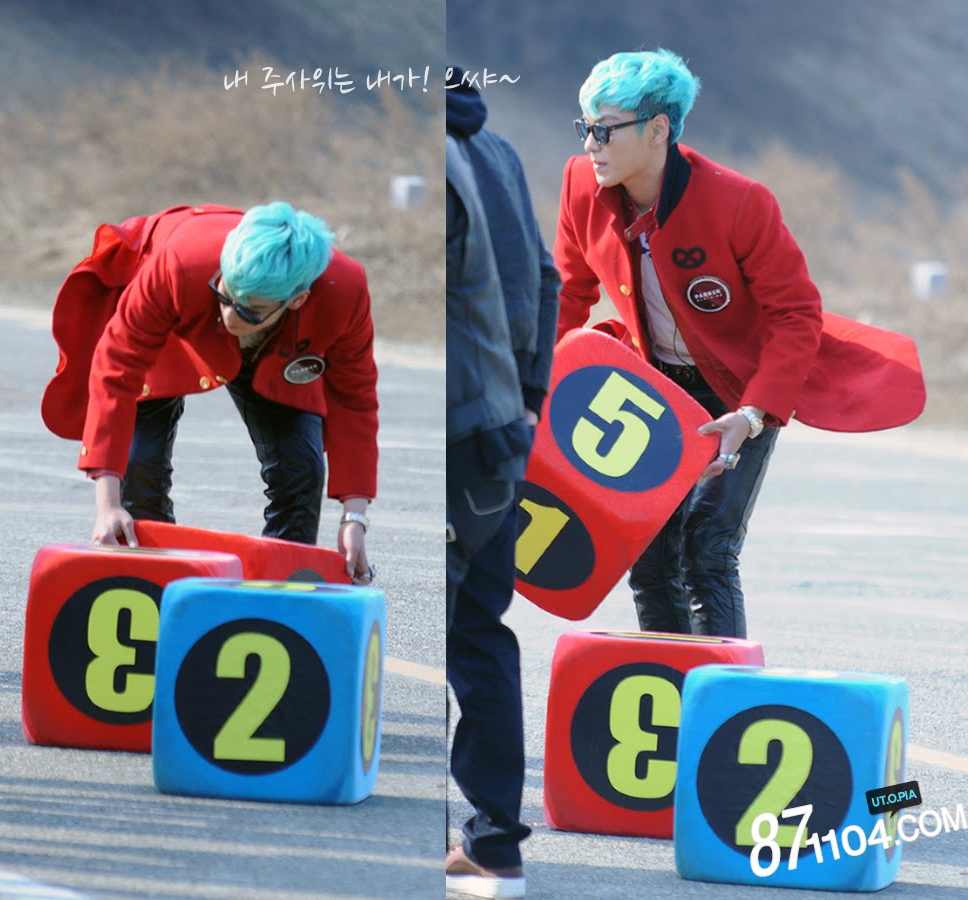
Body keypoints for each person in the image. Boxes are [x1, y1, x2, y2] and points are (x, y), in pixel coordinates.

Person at [556, 49, 924, 637]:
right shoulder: (580, 183)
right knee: (648, 554)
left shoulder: (739, 202)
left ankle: (721, 686)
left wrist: (753, 415)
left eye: (605, 130)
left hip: (739, 391)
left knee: (706, 548)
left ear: (658, 130)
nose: (590, 144)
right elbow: (568, 293)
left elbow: (796, 315)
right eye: (585, 127)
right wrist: (537, 387)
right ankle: (671, 683)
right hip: (650, 386)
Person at [42, 201, 378, 584]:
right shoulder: (179, 265)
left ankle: (279, 590)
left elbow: (354, 398)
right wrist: (107, 505)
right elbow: (116, 368)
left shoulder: (343, 291)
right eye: (228, 295)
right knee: (139, 463)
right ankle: (151, 580)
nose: (230, 317)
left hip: (278, 344)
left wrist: (354, 518)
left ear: (297, 299)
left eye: (250, 309)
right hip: (183, 316)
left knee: (301, 469)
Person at [446, 66, 559, 900]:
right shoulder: (498, 149)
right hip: (499, 433)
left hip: (454, 429)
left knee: (450, 627)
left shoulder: (442, 161)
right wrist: (527, 396)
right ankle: (493, 846)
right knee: (480, 634)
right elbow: (543, 280)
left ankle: (487, 848)